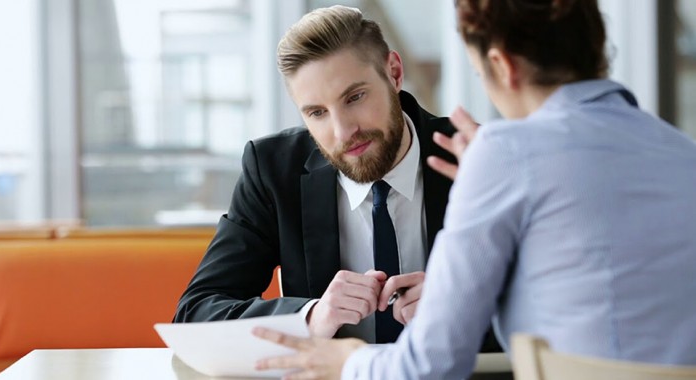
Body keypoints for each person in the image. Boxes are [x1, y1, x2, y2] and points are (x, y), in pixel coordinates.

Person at [253, 0, 696, 378]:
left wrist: (348, 360)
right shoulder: (684, 154)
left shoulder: (504, 154)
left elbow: (429, 365)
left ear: (501, 66)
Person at [173, 5, 500, 350]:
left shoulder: (477, 155)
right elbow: (197, 315)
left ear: (394, 72)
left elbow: (556, 299)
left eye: (355, 97)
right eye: (317, 112)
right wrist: (311, 318)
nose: (344, 132)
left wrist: (465, 305)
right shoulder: (272, 171)